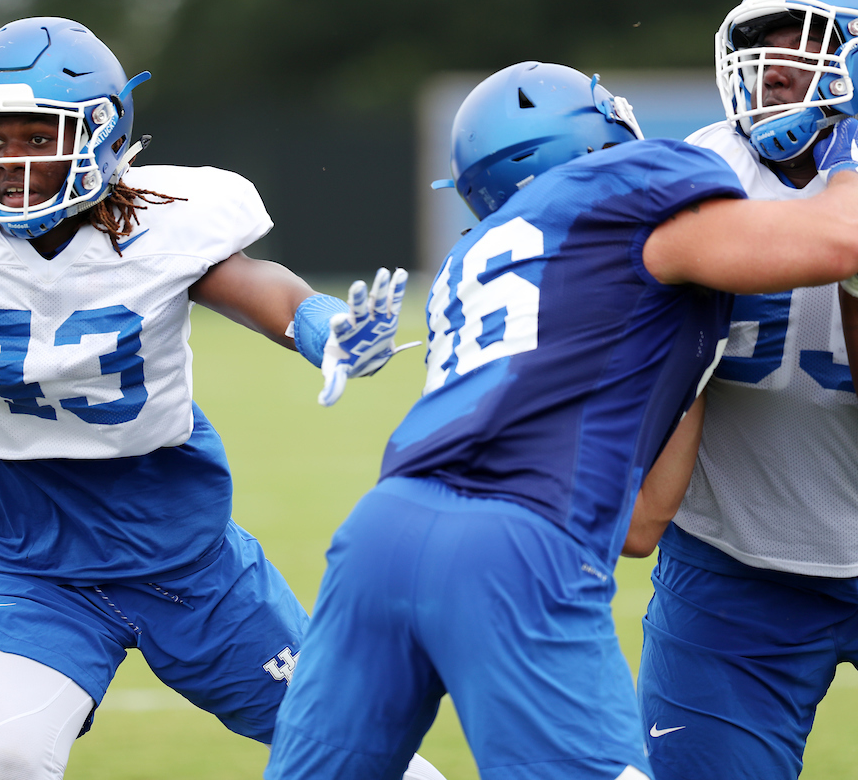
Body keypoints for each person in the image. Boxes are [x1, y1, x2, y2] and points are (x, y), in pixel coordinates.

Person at [0, 17, 445, 780]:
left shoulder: (164, 223)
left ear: (103, 135)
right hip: (36, 573)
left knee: (362, 759)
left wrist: (328, 332)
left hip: (192, 568)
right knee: (4, 758)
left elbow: (266, 289)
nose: (12, 164)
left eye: (37, 137)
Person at [263, 59, 858, 780]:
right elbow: (843, 238)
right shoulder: (629, 193)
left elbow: (641, 526)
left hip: (378, 537)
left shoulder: (474, 259)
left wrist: (696, 362)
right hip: (517, 542)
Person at [622, 0, 858, 778]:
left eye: (812, 41)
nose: (780, 67)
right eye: (771, 40)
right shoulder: (700, 173)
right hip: (734, 565)